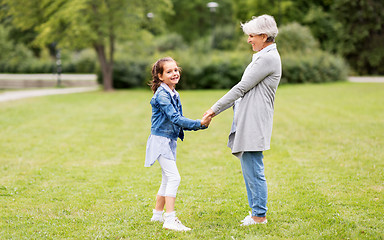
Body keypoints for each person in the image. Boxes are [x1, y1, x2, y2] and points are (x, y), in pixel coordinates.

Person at [204, 14, 281, 226]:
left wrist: (213, 110)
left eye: (252, 36)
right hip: (251, 118)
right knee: (249, 167)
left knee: (253, 168)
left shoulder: (267, 58)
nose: (249, 40)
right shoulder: (263, 55)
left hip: (255, 120)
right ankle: (256, 212)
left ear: (264, 36)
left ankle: (259, 216)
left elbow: (240, 88)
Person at [145, 57, 211, 231]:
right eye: (169, 71)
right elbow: (175, 118)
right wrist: (199, 123)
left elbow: (177, 121)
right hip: (160, 141)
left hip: (168, 140)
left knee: (167, 178)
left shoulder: (173, 93)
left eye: (176, 70)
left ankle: (157, 215)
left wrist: (199, 126)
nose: (174, 73)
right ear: (160, 76)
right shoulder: (162, 94)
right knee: (174, 178)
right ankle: (170, 219)